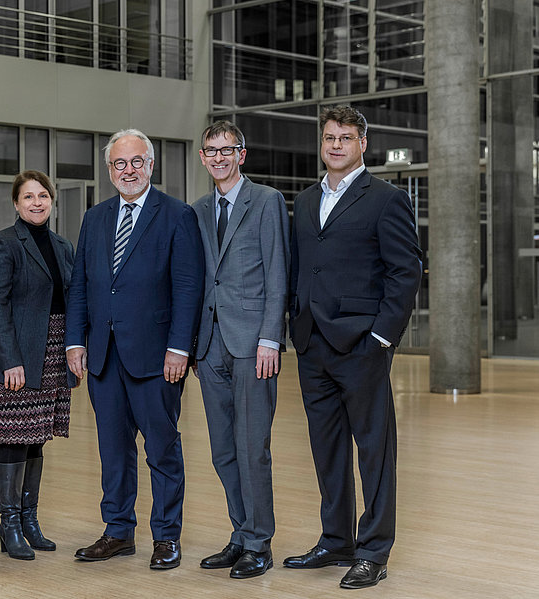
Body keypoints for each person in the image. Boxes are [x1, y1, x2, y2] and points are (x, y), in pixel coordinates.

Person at [284, 105, 422, 589]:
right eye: (329, 137)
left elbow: (406, 271)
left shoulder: (386, 199)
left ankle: (374, 550)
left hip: (362, 344)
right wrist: (293, 324)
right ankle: (335, 540)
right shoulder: (303, 201)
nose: (336, 145)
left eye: (345, 137)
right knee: (326, 450)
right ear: (320, 144)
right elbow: (299, 267)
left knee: (374, 452)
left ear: (363, 143)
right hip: (312, 344)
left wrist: (381, 337)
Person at [66, 129, 203, 571]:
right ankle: (118, 531)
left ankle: (166, 536)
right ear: (109, 170)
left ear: (151, 164)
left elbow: (187, 288)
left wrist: (180, 348)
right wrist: (75, 340)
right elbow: (81, 286)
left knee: (162, 449)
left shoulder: (177, 215)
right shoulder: (95, 217)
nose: (128, 170)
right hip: (103, 355)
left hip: (156, 356)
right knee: (113, 449)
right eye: (119, 164)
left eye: (136, 162)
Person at [191, 120, 289, 579]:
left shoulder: (267, 201)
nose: (219, 157)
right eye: (211, 151)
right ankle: (239, 532)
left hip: (253, 345)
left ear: (241, 154)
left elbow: (278, 274)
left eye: (227, 149)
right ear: (203, 158)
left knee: (253, 448)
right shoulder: (197, 210)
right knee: (222, 450)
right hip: (209, 346)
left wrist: (271, 337)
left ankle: (259, 542)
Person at [0, 170, 76, 561]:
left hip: (52, 351)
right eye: (28, 197)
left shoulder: (62, 245)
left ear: (52, 201)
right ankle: (9, 524)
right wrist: (10, 360)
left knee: (37, 436)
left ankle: (30, 519)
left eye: (43, 196)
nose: (36, 203)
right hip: (17, 355)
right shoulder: (1, 244)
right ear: (16, 204)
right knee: (13, 436)